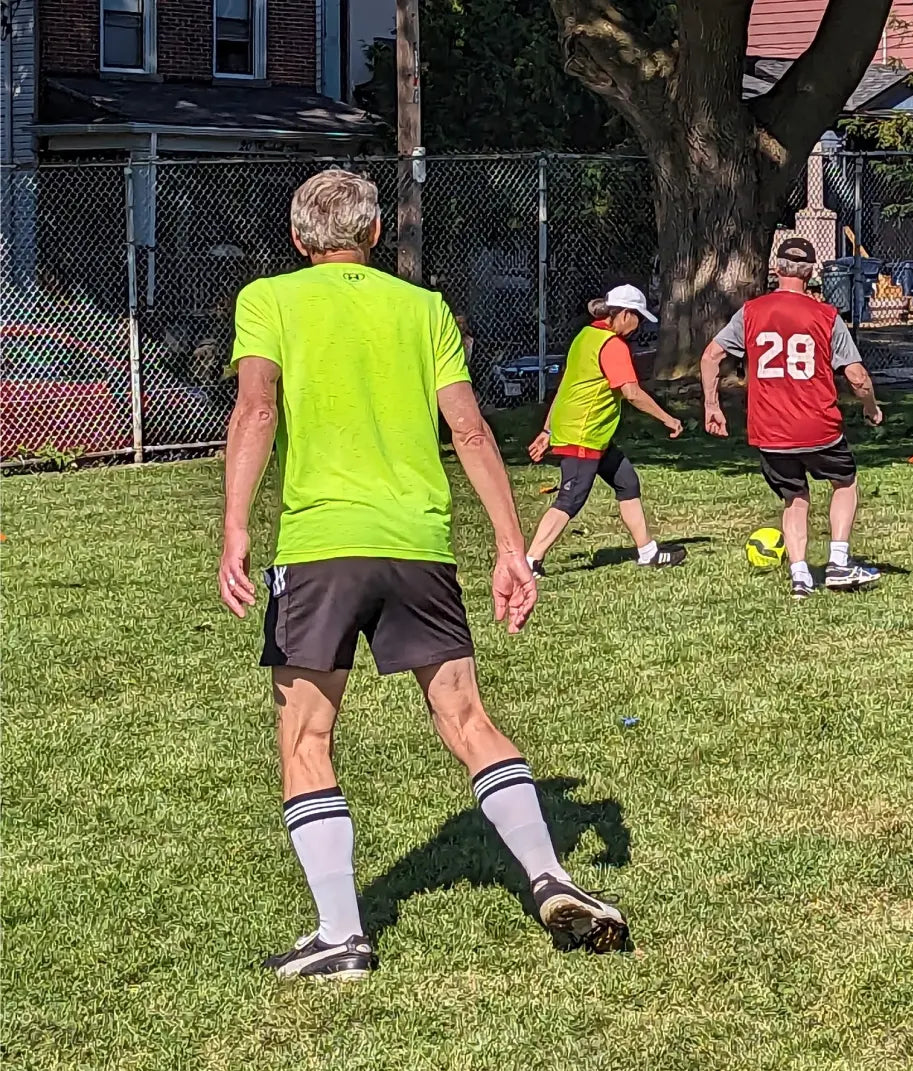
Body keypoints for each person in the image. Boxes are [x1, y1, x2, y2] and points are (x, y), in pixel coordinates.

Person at [219, 169, 628, 980]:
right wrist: (512, 546)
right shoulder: (424, 308)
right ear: (374, 236)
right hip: (419, 544)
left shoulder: (268, 299)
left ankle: (342, 934)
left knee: (305, 736)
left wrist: (234, 526)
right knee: (466, 719)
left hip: (322, 545)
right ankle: (550, 875)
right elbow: (471, 430)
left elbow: (257, 411)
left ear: (298, 240)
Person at [699, 237, 884, 600]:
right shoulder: (826, 316)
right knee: (844, 482)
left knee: (794, 497)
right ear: (811, 272)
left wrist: (711, 405)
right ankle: (838, 562)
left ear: (777, 269)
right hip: (819, 425)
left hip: (769, 429)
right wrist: (870, 407)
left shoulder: (750, 313)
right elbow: (857, 377)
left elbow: (710, 356)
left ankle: (800, 576)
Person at [526, 286, 687, 577]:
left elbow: (566, 387)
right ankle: (530, 562)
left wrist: (548, 429)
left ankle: (647, 552)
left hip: (590, 434)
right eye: (638, 317)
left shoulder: (585, 337)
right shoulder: (612, 345)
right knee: (570, 499)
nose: (639, 326)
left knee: (627, 482)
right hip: (583, 435)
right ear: (624, 314)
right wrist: (667, 418)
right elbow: (631, 392)